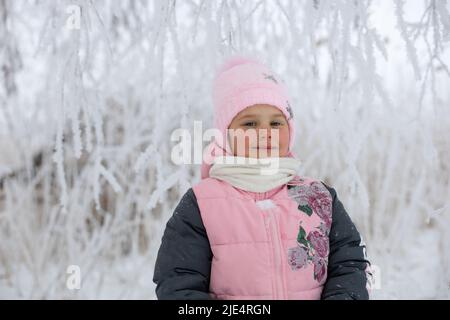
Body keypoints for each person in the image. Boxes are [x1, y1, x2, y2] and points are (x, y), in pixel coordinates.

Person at [153, 55, 372, 300]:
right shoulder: (202, 203)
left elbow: (351, 265)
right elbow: (178, 285)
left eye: (276, 123)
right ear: (225, 134)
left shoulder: (318, 197)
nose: (265, 133)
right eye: (249, 123)